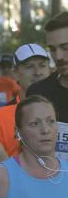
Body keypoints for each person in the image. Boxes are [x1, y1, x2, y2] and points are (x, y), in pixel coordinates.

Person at [0, 44, 53, 156]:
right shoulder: (0, 117)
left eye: (42, 66)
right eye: (29, 66)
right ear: (15, 74)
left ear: (50, 71)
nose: (37, 72)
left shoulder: (63, 105)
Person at [25, 11, 68, 165]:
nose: (58, 57)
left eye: (65, 47)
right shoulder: (38, 93)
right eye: (52, 49)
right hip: (49, 182)